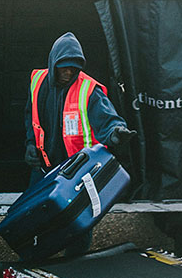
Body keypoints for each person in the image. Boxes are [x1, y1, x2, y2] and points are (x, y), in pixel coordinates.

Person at [24, 32, 134, 256]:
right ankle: (33, 263)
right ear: (53, 64)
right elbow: (30, 116)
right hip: (44, 168)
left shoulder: (88, 90)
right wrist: (29, 144)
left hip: (77, 174)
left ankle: (74, 268)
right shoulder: (38, 82)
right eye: (63, 67)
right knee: (33, 220)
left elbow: (108, 120)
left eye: (73, 68)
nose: (68, 73)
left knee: (78, 225)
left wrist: (116, 134)